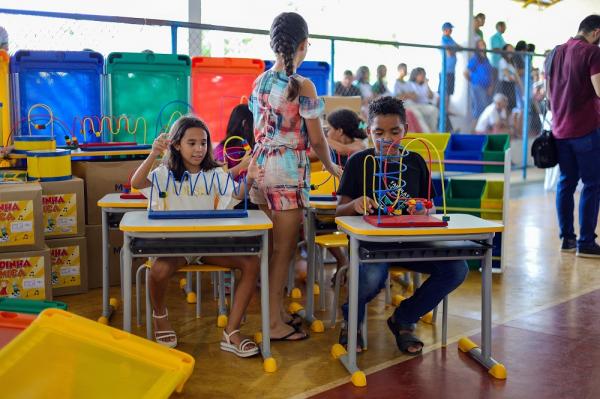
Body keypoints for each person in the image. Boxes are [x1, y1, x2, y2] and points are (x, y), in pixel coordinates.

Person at [335, 96, 468, 353]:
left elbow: (430, 207)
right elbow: (339, 211)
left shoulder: (415, 161)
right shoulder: (359, 162)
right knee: (371, 275)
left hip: (414, 244)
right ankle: (352, 320)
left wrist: (423, 209)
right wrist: (355, 205)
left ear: (405, 129)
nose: (387, 139)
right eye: (379, 132)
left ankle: (404, 318)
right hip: (371, 246)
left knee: (456, 268)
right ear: (368, 131)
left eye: (395, 131)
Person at [130, 115, 261, 356]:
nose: (199, 149)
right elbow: (137, 182)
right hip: (175, 249)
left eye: (203, 142)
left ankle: (231, 332)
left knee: (251, 262)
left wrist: (250, 176)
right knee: (157, 269)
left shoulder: (214, 173)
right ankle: (160, 316)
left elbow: (236, 196)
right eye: (192, 143)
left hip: (208, 246)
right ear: (177, 145)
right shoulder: (164, 173)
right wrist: (152, 154)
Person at [249, 12, 341, 341]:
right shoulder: (303, 85)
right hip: (287, 171)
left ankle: (276, 313)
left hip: (259, 169)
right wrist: (331, 167)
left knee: (269, 248)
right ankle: (272, 323)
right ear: (304, 44)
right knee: (283, 251)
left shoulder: (259, 81)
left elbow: (258, 127)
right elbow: (317, 139)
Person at [547, 14, 600, 257]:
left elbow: (549, 93)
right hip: (586, 130)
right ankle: (586, 242)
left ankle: (567, 240)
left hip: (559, 130)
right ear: (596, 32)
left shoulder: (555, 52)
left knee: (566, 183)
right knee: (591, 184)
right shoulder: (592, 53)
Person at [464, 39, 494, 128]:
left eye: (484, 45)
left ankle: (479, 129)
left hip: (486, 87)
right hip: (477, 86)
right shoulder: (475, 59)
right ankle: (474, 130)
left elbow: (490, 74)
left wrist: (490, 86)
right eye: (481, 45)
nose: (483, 47)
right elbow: (465, 72)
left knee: (485, 108)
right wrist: (473, 81)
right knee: (479, 108)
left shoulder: (486, 59)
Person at [408, 67, 439, 133]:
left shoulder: (424, 84)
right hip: (414, 105)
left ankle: (433, 131)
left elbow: (431, 96)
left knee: (434, 110)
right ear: (415, 75)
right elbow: (414, 97)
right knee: (418, 114)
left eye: (424, 74)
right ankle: (426, 132)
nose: (423, 76)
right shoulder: (410, 84)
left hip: (424, 105)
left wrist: (427, 84)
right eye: (421, 74)